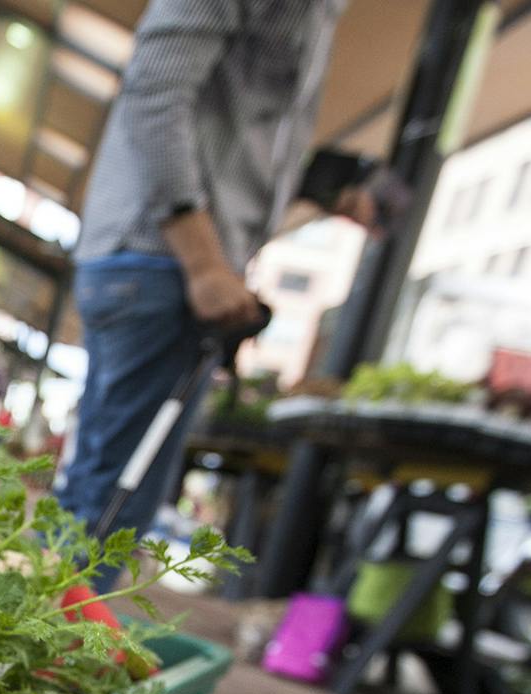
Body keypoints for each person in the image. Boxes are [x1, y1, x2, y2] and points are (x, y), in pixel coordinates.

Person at [57, 0, 377, 542]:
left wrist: (318, 188)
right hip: (162, 260)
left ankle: (44, 621)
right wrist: (204, 261)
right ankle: (54, 625)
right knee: (112, 506)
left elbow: (238, 133)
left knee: (101, 492)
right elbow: (156, 90)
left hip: (158, 262)